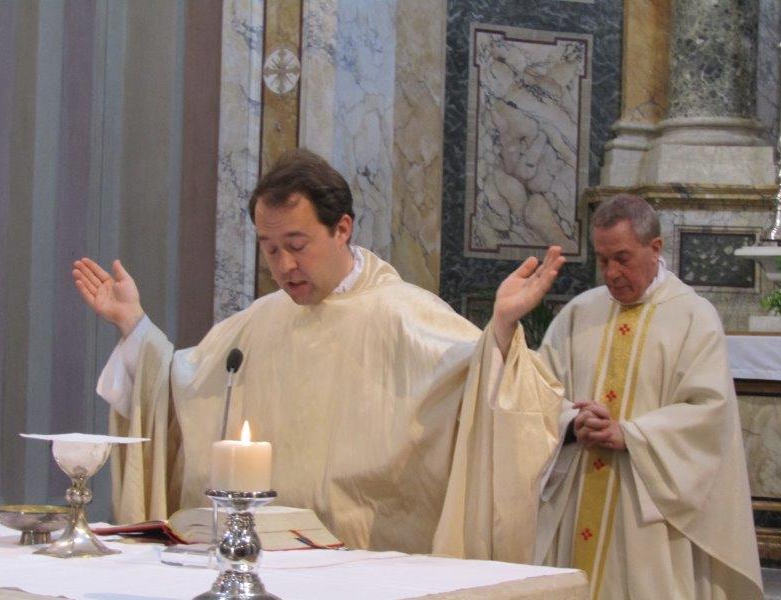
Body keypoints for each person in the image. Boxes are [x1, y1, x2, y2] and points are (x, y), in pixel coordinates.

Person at [73, 148, 566, 561]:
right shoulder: (259, 321)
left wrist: (503, 329)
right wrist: (135, 327)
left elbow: (481, 387)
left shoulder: (403, 314)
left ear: (342, 228)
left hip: (369, 564)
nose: (285, 265)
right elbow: (180, 390)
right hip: (266, 562)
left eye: (297, 244)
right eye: (270, 249)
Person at [534, 194, 763, 599]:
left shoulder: (693, 317)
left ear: (655, 248)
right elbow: (538, 390)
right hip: (580, 490)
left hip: (649, 509)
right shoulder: (579, 313)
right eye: (602, 260)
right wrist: (571, 421)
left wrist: (631, 434)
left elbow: (709, 412)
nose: (611, 273)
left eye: (622, 258)